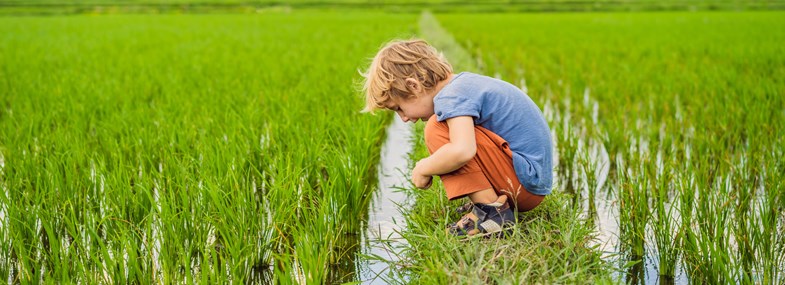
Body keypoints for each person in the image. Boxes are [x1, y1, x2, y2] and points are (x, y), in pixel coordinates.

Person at [361, 39, 553, 237]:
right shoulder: (463, 85)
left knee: (436, 128)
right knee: (445, 128)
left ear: (414, 86)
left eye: (399, 108)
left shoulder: (451, 97)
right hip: (529, 182)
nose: (404, 118)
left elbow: (462, 150)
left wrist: (423, 167)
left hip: (524, 185)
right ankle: (487, 204)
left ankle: (492, 213)